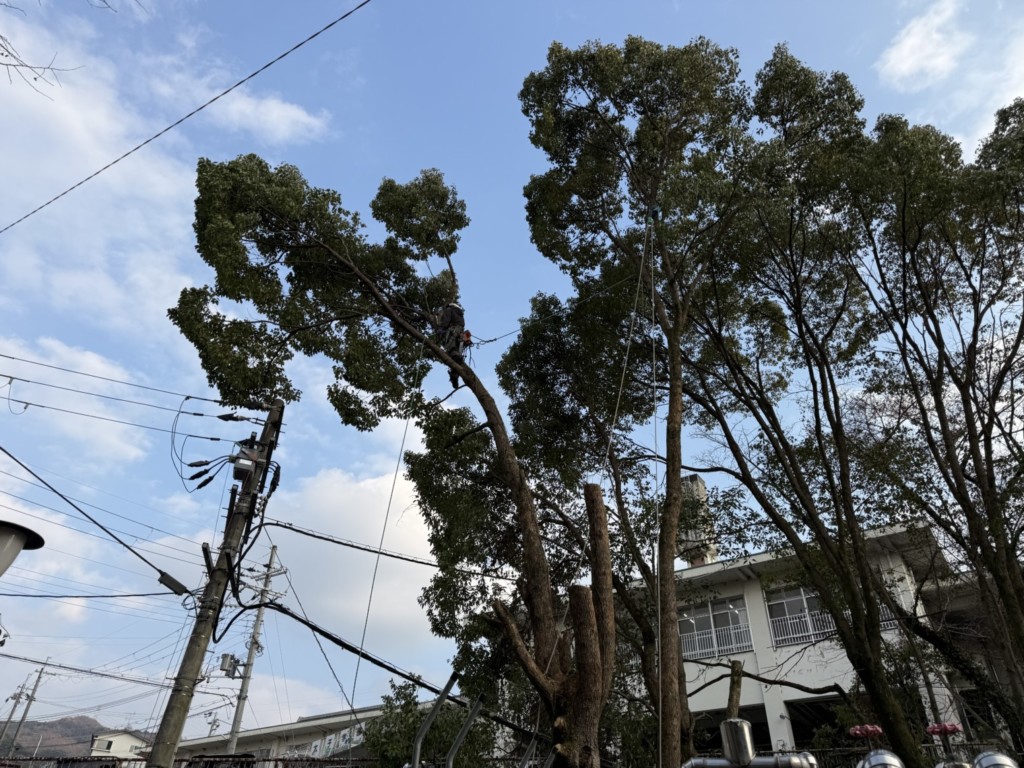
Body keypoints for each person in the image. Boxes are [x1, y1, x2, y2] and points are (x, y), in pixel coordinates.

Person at [437, 302, 467, 388]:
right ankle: (455, 375)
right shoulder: (460, 314)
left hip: (453, 330)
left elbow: (446, 320)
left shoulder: (449, 310)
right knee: (456, 350)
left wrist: (441, 328)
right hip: (460, 331)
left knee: (451, 347)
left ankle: (456, 363)